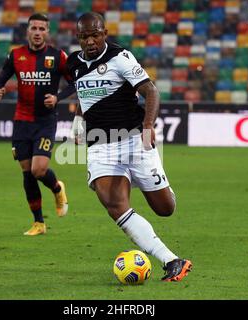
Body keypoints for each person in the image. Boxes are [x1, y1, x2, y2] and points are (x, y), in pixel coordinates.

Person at [67, 12, 193, 282]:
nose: (90, 41)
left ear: (105, 34)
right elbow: (86, 92)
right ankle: (171, 260)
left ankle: (153, 182)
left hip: (134, 139)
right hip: (100, 144)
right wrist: (78, 119)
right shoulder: (73, 63)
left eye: (95, 35)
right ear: (78, 38)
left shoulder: (120, 58)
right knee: (114, 204)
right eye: (84, 36)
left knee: (165, 208)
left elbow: (151, 91)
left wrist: (148, 125)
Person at [0, 13, 75, 236]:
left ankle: (58, 188)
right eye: (34, 28)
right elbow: (1, 78)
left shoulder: (57, 56)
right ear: (27, 31)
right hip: (22, 121)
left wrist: (58, 97)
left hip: (45, 122)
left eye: (42, 29)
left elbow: (74, 83)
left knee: (38, 169)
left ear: (47, 32)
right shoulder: (16, 55)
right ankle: (39, 223)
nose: (37, 32)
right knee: (27, 173)